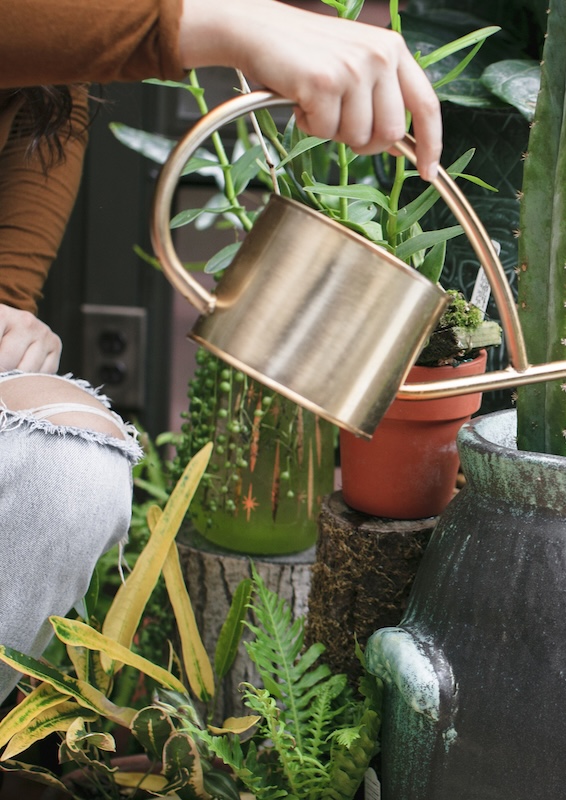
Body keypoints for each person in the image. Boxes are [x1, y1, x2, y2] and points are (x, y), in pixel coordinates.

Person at [0, 0, 444, 701]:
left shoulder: (54, 90)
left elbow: (47, 103)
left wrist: (10, 306)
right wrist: (221, 21)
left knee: (74, 468)